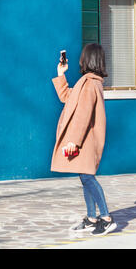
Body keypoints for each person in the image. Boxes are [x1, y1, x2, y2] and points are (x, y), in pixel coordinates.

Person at [51, 43, 117, 236]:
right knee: (85, 176)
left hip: (84, 140)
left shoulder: (89, 83)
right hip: (84, 139)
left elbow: (83, 114)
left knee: (87, 177)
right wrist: (61, 74)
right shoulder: (89, 82)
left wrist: (74, 140)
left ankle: (105, 218)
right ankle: (91, 218)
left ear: (87, 59)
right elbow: (67, 97)